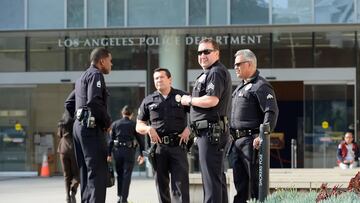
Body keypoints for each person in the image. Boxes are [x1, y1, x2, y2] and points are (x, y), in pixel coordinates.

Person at [180, 38, 231, 203]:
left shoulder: (215, 72)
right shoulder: (207, 74)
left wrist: (188, 100)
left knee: (211, 181)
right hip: (207, 132)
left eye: (206, 51)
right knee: (215, 179)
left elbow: (211, 100)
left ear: (216, 53)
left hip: (211, 133)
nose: (202, 55)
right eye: (200, 52)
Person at [229, 49, 278, 203]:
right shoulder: (240, 87)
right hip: (236, 143)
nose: (235, 67)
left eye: (238, 64)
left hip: (252, 142)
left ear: (249, 64)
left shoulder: (261, 86)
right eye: (234, 64)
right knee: (240, 185)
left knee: (256, 186)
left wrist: (262, 136)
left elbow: (271, 112)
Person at [136, 68, 191, 203]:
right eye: (156, 78)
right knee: (161, 186)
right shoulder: (148, 100)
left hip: (178, 146)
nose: (158, 80)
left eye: (161, 77)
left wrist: (190, 128)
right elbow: (139, 125)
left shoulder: (182, 97)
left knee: (181, 185)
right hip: (158, 148)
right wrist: (148, 129)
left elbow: (197, 115)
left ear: (170, 79)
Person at [69, 47, 112, 203]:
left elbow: (69, 103)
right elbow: (94, 101)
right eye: (110, 61)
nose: (111, 64)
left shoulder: (82, 78)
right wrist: (107, 123)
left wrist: (79, 117)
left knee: (86, 172)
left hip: (79, 128)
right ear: (102, 61)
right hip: (91, 129)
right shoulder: (96, 75)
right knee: (98, 173)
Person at [107, 105, 145, 203]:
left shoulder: (115, 124)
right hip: (129, 152)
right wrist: (142, 154)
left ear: (122, 113)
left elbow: (110, 141)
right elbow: (140, 140)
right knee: (127, 175)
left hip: (117, 152)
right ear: (132, 115)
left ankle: (120, 196)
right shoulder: (133, 124)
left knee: (119, 174)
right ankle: (124, 198)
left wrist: (109, 154)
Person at [57, 100, 79, 203]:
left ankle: (67, 196)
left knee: (66, 174)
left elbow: (59, 135)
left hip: (63, 148)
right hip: (74, 148)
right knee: (77, 173)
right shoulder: (75, 119)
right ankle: (73, 191)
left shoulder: (62, 121)